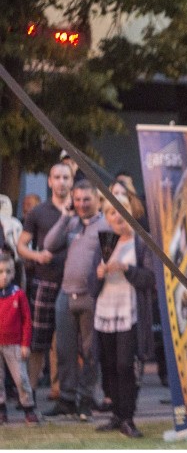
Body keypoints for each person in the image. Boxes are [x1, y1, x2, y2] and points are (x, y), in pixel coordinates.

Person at [42, 179, 110, 421]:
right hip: (65, 294)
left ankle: (86, 400)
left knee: (90, 352)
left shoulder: (106, 225)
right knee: (64, 351)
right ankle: (67, 399)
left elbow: (108, 260)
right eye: (78, 199)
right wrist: (64, 216)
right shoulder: (71, 222)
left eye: (86, 199)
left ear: (97, 199)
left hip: (90, 295)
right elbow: (49, 244)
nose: (81, 204)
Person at [93, 195, 156, 438]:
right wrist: (98, 274)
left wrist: (126, 268)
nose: (118, 215)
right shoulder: (105, 241)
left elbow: (151, 279)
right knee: (109, 365)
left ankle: (128, 418)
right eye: (112, 212)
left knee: (125, 365)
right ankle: (117, 415)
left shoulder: (142, 241)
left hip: (130, 312)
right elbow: (91, 284)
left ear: (132, 211)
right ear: (107, 218)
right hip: (105, 310)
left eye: (122, 209)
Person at [16, 163, 73, 404]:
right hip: (45, 282)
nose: (61, 182)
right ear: (49, 181)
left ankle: (60, 391)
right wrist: (37, 256)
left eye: (66, 177)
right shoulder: (38, 212)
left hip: (72, 284)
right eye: (57, 177)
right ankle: (28, 393)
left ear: (72, 181)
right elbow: (21, 246)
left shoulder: (80, 208)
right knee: (38, 340)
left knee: (66, 342)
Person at [0, 251, 38, 425]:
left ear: (13, 273)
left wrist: (25, 344)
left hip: (14, 344)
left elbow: (26, 320)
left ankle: (28, 408)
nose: (4, 276)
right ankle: (2, 409)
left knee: (21, 378)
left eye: (8, 271)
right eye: (0, 272)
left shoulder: (18, 294)